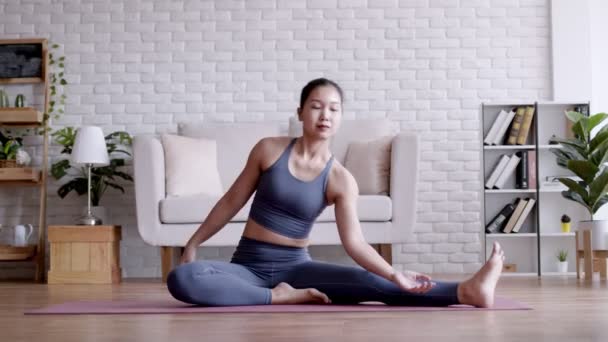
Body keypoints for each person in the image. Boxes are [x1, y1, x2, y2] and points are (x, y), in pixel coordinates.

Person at [167, 78, 504, 307]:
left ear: (340, 117)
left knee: (372, 284)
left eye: (333, 108)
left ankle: (465, 290)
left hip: (297, 269)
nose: (324, 114)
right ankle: (279, 297)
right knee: (183, 279)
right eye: (316, 106)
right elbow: (230, 202)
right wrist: (193, 243)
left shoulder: (341, 180)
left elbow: (354, 243)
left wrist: (393, 273)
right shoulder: (268, 150)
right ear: (300, 112)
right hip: (248, 266)